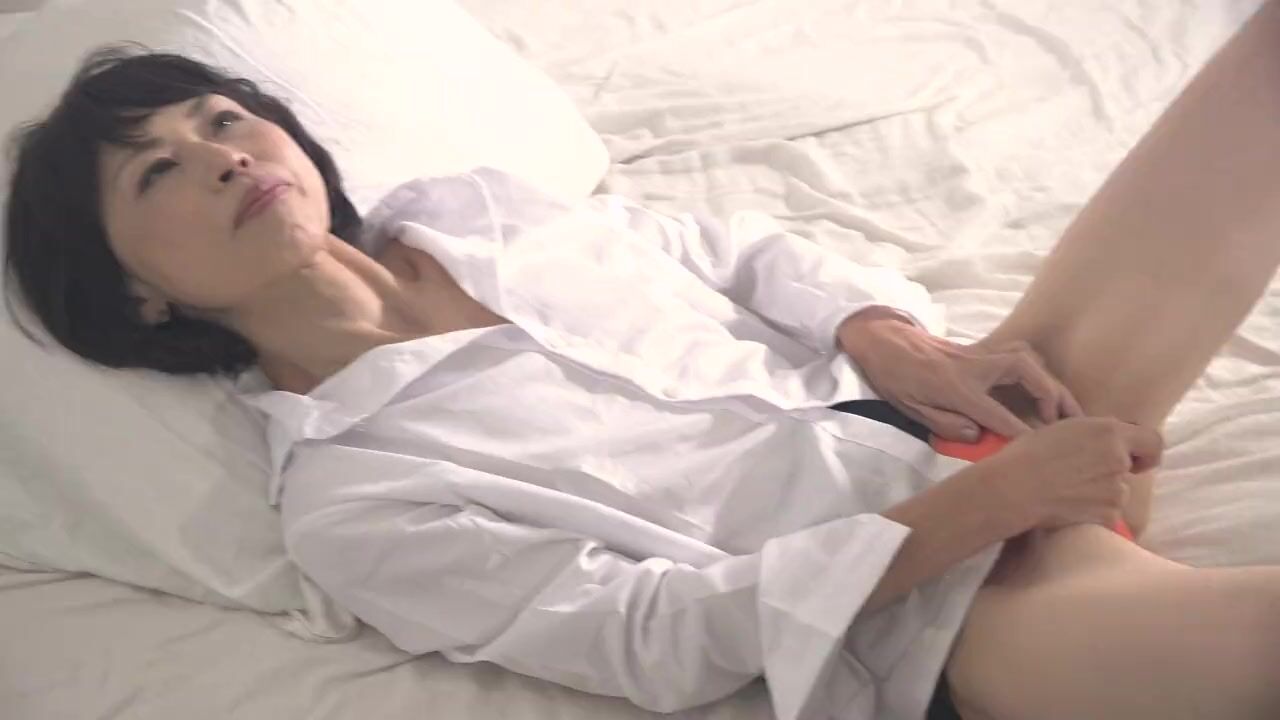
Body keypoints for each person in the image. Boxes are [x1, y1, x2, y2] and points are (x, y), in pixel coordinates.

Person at [4, 1, 1280, 714]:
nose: (223, 155)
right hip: (943, 606)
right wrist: (986, 508)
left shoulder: (473, 210)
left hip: (975, 414)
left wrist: (875, 332)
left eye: (223, 117)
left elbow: (721, 248)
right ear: (136, 297)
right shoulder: (353, 499)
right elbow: (658, 636)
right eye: (156, 171)